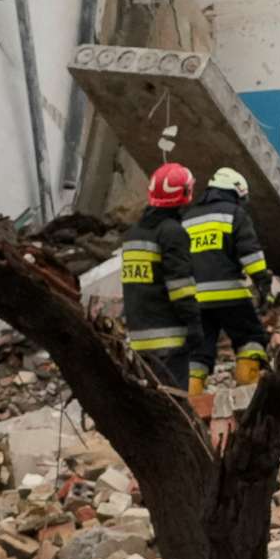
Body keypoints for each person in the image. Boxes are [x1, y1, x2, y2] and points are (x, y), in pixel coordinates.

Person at [117, 165, 204, 400]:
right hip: (169, 341)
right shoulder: (172, 233)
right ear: (184, 194)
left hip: (140, 341)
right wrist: (194, 325)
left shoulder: (134, 234)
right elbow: (180, 286)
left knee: (152, 406)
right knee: (174, 405)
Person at [183, 166, 272, 394]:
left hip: (195, 299)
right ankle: (248, 387)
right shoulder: (234, 214)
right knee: (251, 338)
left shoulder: (189, 218)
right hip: (230, 295)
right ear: (235, 192)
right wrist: (263, 284)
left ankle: (192, 401)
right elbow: (250, 254)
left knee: (199, 351)